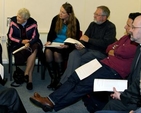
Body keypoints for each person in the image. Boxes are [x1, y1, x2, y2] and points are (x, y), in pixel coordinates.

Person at [29, 13, 139, 112]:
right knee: (75, 76)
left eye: (129, 26)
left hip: (113, 70)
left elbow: (120, 50)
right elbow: (109, 48)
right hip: (103, 63)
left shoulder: (135, 43)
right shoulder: (126, 37)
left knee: (82, 86)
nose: (125, 27)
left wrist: (115, 49)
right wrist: (115, 49)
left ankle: (53, 104)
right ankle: (50, 100)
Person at [57, 5, 116, 89]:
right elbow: (85, 37)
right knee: (73, 54)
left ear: (104, 17)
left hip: (100, 52)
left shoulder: (110, 27)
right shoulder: (93, 24)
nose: (94, 16)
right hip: (87, 48)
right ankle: (67, 82)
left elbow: (106, 43)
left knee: (81, 59)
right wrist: (79, 44)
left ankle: (66, 83)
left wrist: (89, 40)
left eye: (97, 14)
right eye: (94, 13)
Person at [92, 15, 141, 112]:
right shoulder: (139, 48)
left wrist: (123, 96)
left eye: (133, 27)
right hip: (133, 92)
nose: (130, 30)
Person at [44, 2, 80, 90]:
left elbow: (75, 38)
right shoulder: (56, 19)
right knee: (47, 52)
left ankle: (60, 79)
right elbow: (51, 32)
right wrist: (49, 41)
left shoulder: (75, 22)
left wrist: (67, 46)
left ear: (69, 14)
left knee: (57, 54)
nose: (60, 14)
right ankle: (53, 78)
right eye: (60, 11)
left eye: (63, 12)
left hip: (66, 46)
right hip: (54, 43)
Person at [7, 8, 43, 90]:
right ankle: (29, 79)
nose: (17, 18)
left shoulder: (33, 23)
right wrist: (21, 41)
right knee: (33, 54)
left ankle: (26, 75)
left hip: (31, 44)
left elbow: (36, 37)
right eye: (17, 16)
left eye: (20, 18)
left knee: (35, 47)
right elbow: (10, 36)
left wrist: (29, 43)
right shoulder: (13, 22)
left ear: (25, 19)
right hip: (18, 45)